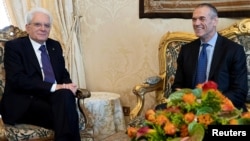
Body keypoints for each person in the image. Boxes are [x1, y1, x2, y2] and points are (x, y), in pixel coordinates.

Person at [0, 7, 81, 141]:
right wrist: (55, 87)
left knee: (66, 98)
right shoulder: (15, 47)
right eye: (38, 24)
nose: (43, 28)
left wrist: (68, 85)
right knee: (66, 115)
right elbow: (17, 80)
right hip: (26, 101)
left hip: (52, 99)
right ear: (28, 27)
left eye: (47, 25)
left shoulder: (54, 46)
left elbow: (62, 73)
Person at [171, 3, 248, 111]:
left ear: (215, 21)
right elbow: (177, 86)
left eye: (202, 19)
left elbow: (239, 92)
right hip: (191, 107)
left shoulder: (234, 50)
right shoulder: (186, 50)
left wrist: (208, 104)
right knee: (159, 111)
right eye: (194, 19)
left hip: (221, 107)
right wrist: (186, 100)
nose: (197, 23)